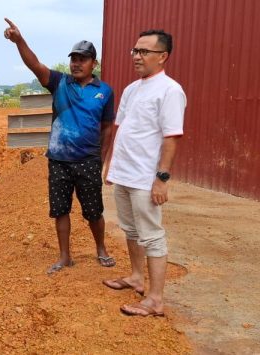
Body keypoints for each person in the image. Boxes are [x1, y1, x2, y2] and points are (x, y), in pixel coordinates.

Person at [3, 18, 116, 274]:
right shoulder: (59, 83)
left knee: (93, 210)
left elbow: (107, 126)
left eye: (82, 59)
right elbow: (34, 64)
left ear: (93, 64)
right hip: (59, 160)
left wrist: (103, 158)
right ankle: (65, 256)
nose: (76, 63)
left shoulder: (105, 91)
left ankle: (101, 248)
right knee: (60, 209)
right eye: (73, 59)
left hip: (88, 160)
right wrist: (19, 40)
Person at [102, 29, 186, 316]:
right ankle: (137, 277)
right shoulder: (131, 89)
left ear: (162, 56)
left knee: (151, 235)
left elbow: (171, 137)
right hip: (124, 173)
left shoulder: (170, 90)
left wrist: (162, 179)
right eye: (135, 51)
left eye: (144, 52)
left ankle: (155, 299)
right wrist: (110, 165)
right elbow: (122, 130)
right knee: (131, 230)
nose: (137, 56)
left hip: (144, 178)